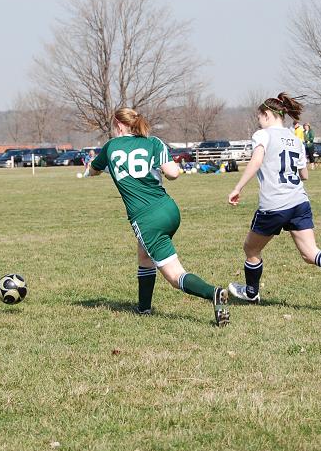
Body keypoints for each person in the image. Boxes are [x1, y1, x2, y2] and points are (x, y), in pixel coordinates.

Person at [85, 108, 230, 327]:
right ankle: (143, 308)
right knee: (144, 255)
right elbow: (172, 173)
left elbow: (94, 170)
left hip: (146, 219)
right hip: (169, 209)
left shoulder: (111, 147)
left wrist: (91, 171)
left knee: (174, 275)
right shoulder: (153, 142)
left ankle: (213, 293)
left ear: (118, 124)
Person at [226, 93, 321, 305]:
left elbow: (256, 161)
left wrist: (238, 187)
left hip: (274, 205)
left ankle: (251, 292)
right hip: (299, 202)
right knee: (310, 253)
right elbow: (305, 175)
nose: (259, 122)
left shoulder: (263, 135)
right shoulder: (295, 138)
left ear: (267, 115)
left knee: (251, 249)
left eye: (259, 118)